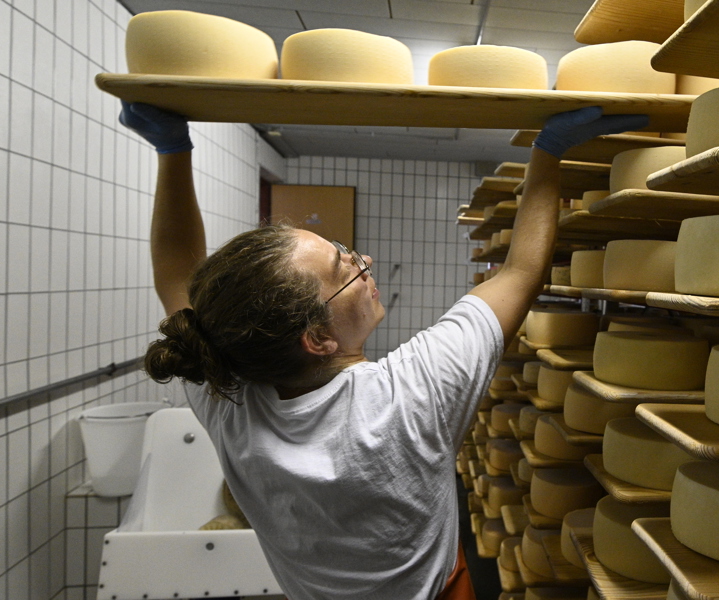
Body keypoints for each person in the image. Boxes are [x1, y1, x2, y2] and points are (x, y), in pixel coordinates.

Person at [119, 100, 649, 599]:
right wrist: (548, 150)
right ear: (319, 338)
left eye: (346, 251)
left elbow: (174, 275)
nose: (364, 259)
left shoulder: (224, 391)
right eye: (344, 267)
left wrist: (172, 152)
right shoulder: (410, 396)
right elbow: (524, 271)